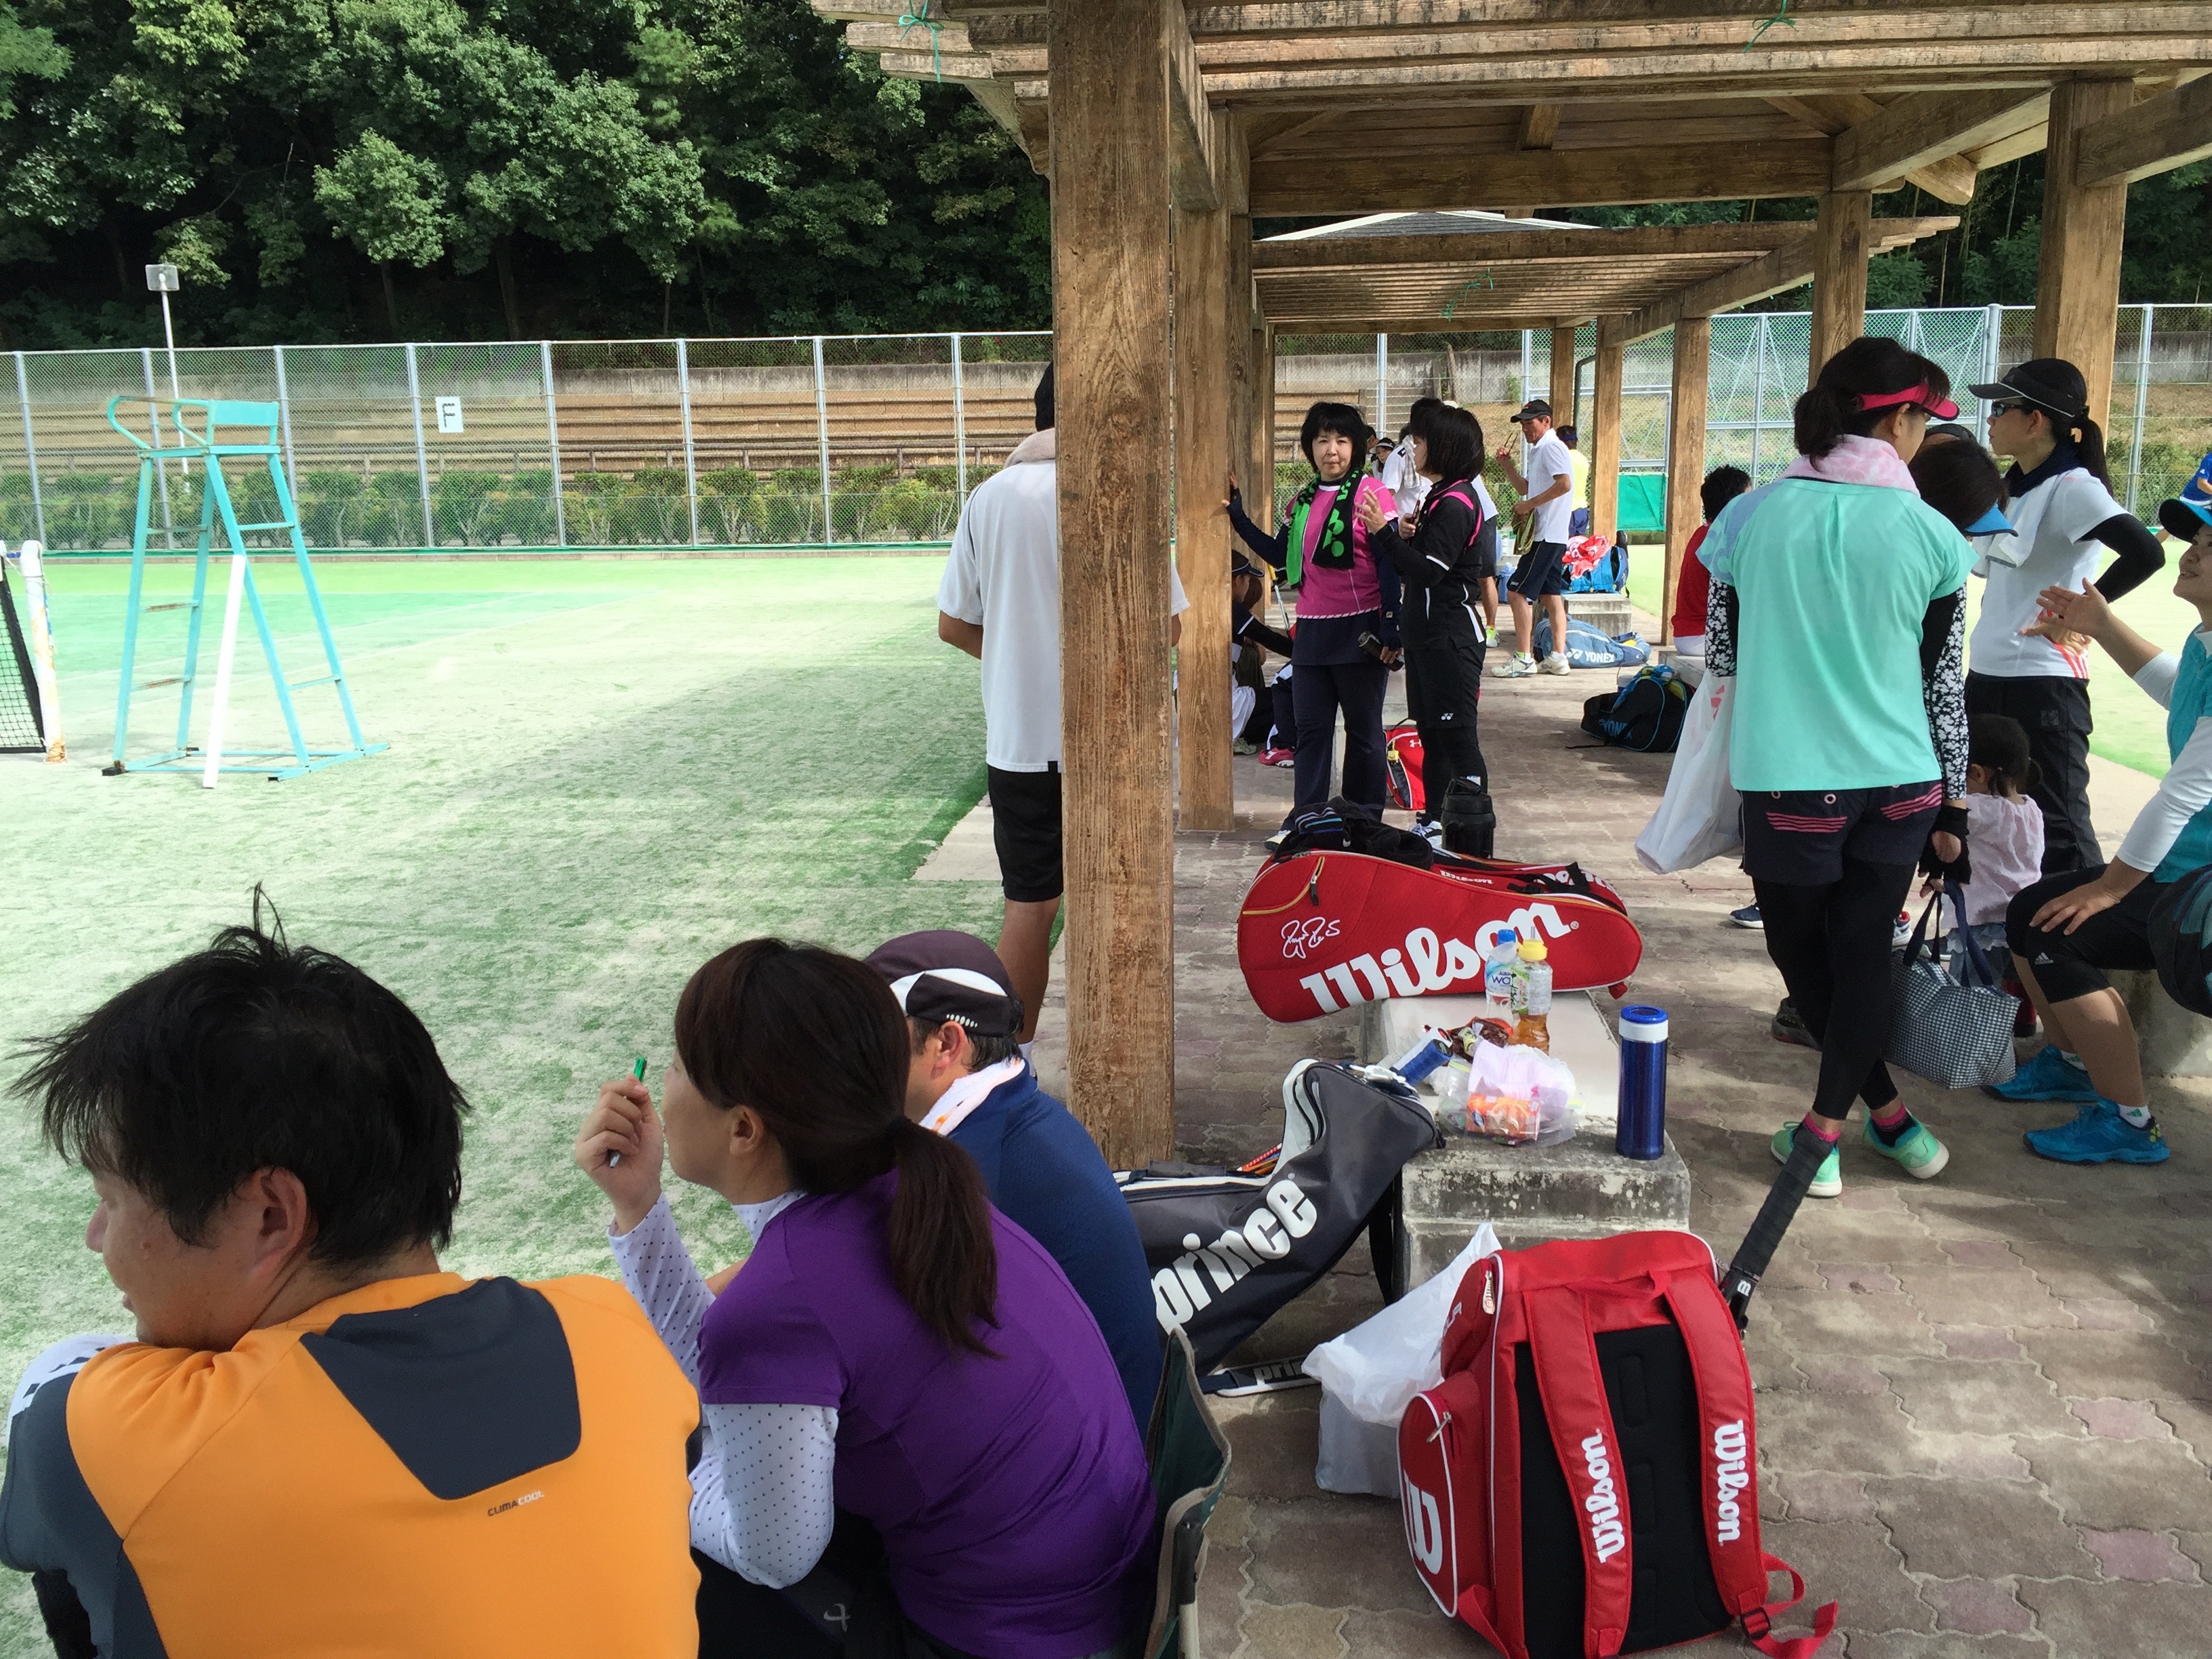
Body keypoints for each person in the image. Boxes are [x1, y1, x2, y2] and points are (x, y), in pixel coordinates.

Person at [1, 907, 701, 1657]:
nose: (96, 1237)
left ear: (271, 1216)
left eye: (110, 1200)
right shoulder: (612, 1331)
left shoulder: (115, 1436)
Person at [575, 939, 1153, 1659]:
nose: (663, 1084)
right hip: (1101, 1587)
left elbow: (772, 1555)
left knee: (645, 1544)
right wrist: (638, 1207)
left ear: (745, 1128)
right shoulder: (917, 1184)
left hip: (1023, 1636)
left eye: (679, 1066)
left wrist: (659, 1479)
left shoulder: (785, 1294)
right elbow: (741, 1375)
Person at [1702, 335, 1975, 1201]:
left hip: (1791, 778)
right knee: (1861, 953)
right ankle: (1887, 1119)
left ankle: (1823, 1135)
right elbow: (1942, 689)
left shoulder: (1747, 518)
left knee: (1802, 951)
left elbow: (1723, 653)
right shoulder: (1935, 535)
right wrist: (1955, 806)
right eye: (1924, 420)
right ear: (1897, 421)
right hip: (1902, 780)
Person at [939, 365, 1190, 1047]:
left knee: (1028, 907)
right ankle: (1119, 1057)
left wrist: (1017, 661)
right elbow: (1166, 629)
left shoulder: (988, 499)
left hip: (1021, 741)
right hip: (1112, 740)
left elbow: (953, 624)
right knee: (1119, 904)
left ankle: (1010, 1063)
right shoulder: (1122, 492)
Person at [1983, 495, 2212, 1166]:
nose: (2192, 553)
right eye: (2196, 540)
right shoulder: (2205, 643)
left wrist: (2111, 888)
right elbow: (2177, 691)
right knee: (2028, 911)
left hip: (2196, 884)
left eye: (2211, 547)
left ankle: (2131, 1122)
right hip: (2179, 867)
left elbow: (2183, 795)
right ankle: (2073, 1063)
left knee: (2060, 938)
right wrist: (2102, 625)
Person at [864, 928, 1161, 1427]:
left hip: (1075, 1454)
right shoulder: (1009, 1113)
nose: (853, 1056)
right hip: (1108, 1432)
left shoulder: (966, 1175)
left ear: (946, 1044)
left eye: (872, 1034)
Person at [1965, 358, 2165, 874]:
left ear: (2036, 421)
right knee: (1984, 815)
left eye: (2001, 409)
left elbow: (2146, 553)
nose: (1990, 420)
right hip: (1988, 674)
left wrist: (2078, 616)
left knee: (2059, 828)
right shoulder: (2014, 486)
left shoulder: (2073, 486)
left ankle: (2083, 925)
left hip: (2044, 683)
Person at [1226, 401, 1401, 821]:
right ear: (1310, 448)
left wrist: (1392, 625)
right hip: (1312, 635)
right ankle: (1307, 817)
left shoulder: (1372, 494)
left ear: (1355, 447)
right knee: (1311, 732)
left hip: (1362, 632)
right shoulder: (1301, 502)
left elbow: (1389, 563)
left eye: (1341, 440)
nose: (1332, 450)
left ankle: (1363, 818)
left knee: (1363, 732)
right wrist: (1238, 516)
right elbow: (1279, 556)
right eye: (1323, 440)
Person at [1359, 401, 1492, 837]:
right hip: (1428, 638)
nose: (1412, 450)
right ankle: (1435, 821)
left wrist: (1384, 534)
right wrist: (1404, 537)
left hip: (1450, 639)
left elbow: (1430, 573)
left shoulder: (1455, 503)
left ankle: (1471, 830)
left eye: (1418, 441)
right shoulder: (1439, 496)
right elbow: (1418, 565)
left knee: (1459, 738)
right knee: (1433, 735)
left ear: (1444, 446)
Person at [1490, 397, 1574, 678]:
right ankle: (1558, 657)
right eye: (1522, 423)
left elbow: (1564, 484)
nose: (1525, 428)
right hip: (1551, 534)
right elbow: (1524, 488)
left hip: (1545, 535)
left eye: (1530, 423)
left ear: (1546, 421)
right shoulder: (1541, 449)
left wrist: (1530, 505)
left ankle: (1524, 658)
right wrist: (1507, 466)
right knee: (1551, 596)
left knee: (1516, 592)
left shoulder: (1551, 447)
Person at [1668, 465, 1751, 657]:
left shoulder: (1706, 533)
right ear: (1735, 504)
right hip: (1704, 636)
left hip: (1693, 635)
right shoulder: (1724, 540)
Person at [1559, 424, 1593, 539]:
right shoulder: (1583, 458)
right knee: (1577, 546)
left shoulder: (1563, 458)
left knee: (1563, 546)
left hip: (1568, 509)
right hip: (1582, 509)